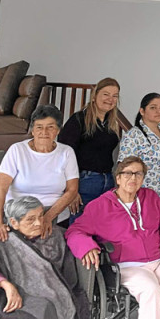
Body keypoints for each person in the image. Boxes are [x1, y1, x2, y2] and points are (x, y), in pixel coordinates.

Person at [66, 157, 160, 319]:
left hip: (157, 260)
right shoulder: (100, 206)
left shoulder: (150, 197)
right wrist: (87, 247)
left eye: (138, 174)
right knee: (151, 291)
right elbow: (74, 231)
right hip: (127, 266)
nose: (133, 178)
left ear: (143, 179)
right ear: (118, 178)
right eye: (127, 173)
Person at [0, 105, 78, 240]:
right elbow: (1, 187)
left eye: (50, 127)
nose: (44, 132)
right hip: (20, 217)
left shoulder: (66, 152)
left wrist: (48, 217)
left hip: (55, 216)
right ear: (32, 130)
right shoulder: (17, 150)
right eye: (39, 127)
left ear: (58, 131)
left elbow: (72, 190)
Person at [59, 77, 123, 222]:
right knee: (80, 228)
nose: (110, 99)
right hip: (84, 182)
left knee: (101, 228)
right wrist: (71, 190)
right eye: (106, 94)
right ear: (94, 96)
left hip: (107, 182)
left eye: (115, 96)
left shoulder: (110, 125)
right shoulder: (79, 120)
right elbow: (64, 155)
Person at [118, 93, 160, 205]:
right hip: (141, 197)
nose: (158, 111)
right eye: (153, 107)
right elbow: (124, 168)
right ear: (142, 111)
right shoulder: (133, 135)